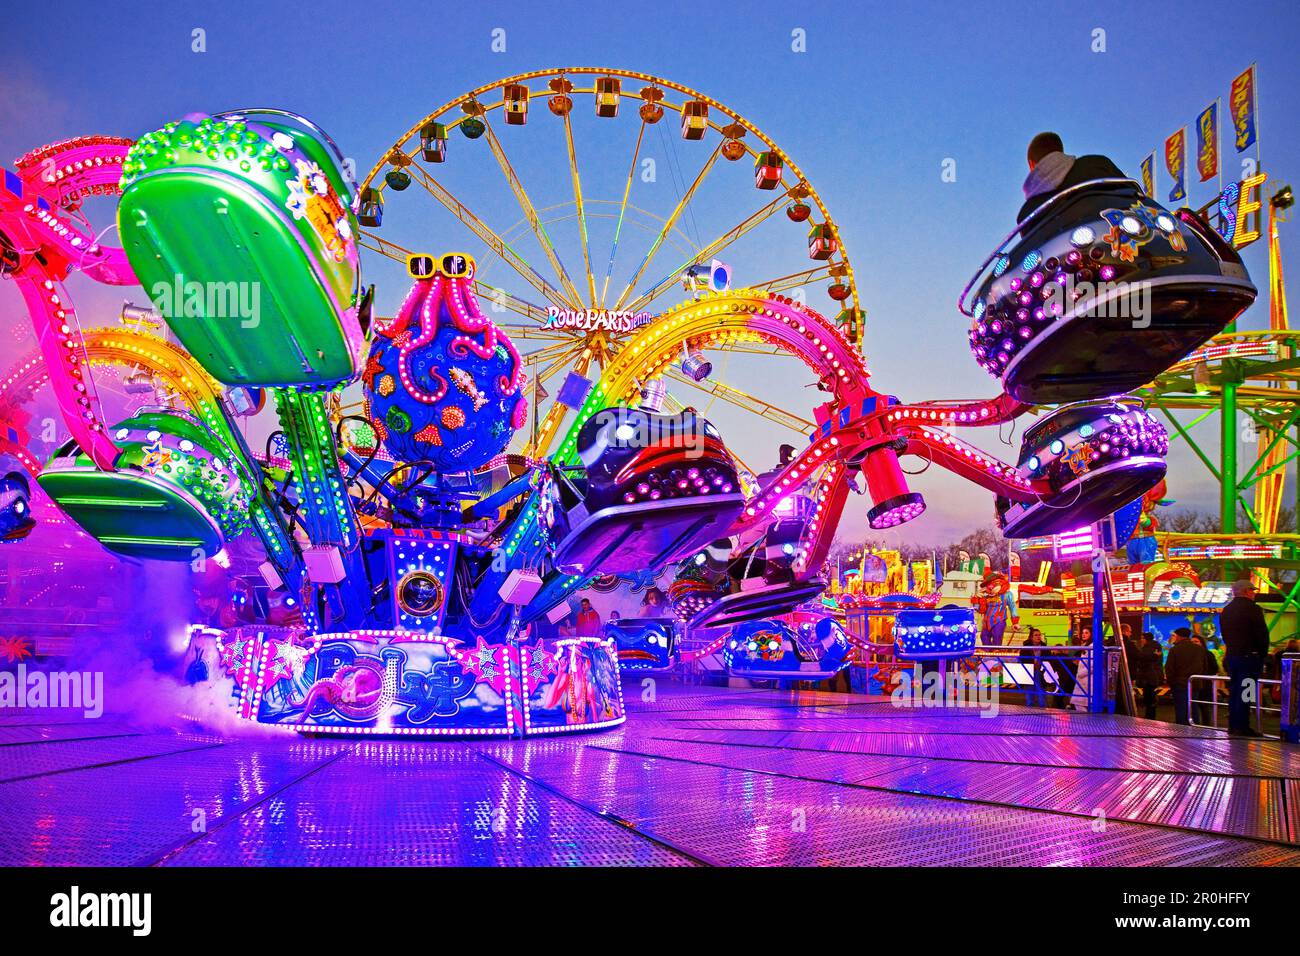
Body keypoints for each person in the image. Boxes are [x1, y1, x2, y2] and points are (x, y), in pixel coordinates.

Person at [1018, 132, 1127, 222]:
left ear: (1031, 164)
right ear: (1060, 151)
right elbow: (1133, 193)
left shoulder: (1028, 212)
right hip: (1122, 234)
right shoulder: (1097, 163)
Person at [1220, 579, 1270, 737]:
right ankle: (1243, 726)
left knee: (1235, 691)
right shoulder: (1253, 609)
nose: (1254, 593)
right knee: (1247, 692)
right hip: (1249, 658)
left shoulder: (1226, 610)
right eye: (1252, 590)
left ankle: (1233, 725)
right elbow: (1261, 634)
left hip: (1233, 657)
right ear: (1246, 591)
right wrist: (1262, 654)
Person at [1165, 628, 1203, 725]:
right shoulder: (1199, 649)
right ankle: (1195, 727)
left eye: (1176, 636)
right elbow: (1204, 666)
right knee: (1193, 707)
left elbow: (1169, 668)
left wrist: (1171, 682)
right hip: (1195, 683)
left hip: (1179, 684)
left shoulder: (1174, 650)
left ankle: (1181, 729)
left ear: (1179, 636)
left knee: (1181, 708)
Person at [1131, 631, 1165, 720]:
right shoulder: (1155, 647)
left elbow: (1143, 659)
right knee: (1150, 696)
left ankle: (1150, 717)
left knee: (1149, 697)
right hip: (1152, 676)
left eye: (1142, 638)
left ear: (1146, 639)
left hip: (1150, 676)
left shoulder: (1149, 648)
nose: (1141, 640)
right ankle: (1149, 715)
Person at [1018, 627, 1050, 708]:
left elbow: (1049, 659)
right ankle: (1030, 708)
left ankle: (1042, 709)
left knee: (1041, 693)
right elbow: (1022, 659)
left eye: (1039, 635)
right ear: (1031, 637)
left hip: (1041, 672)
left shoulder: (1044, 647)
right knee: (1029, 693)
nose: (1038, 637)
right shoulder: (1026, 647)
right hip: (1029, 672)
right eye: (1036, 635)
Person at [1191, 635, 1220, 725]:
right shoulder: (1190, 655)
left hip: (1205, 683)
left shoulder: (1208, 654)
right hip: (1194, 684)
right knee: (1193, 705)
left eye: (1196, 641)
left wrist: (1205, 674)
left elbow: (1215, 668)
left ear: (1202, 643)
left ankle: (1206, 725)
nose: (1194, 644)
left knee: (1204, 706)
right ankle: (1195, 724)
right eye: (1192, 642)